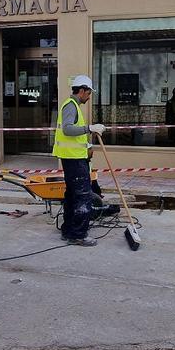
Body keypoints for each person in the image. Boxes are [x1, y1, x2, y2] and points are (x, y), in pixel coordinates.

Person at [53, 74, 106, 247]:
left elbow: (75, 136)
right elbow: (68, 130)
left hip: (74, 157)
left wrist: (88, 145)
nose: (89, 97)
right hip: (74, 160)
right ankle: (78, 234)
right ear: (82, 90)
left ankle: (68, 229)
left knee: (72, 195)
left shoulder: (73, 105)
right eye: (89, 93)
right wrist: (90, 128)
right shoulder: (71, 106)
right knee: (83, 196)